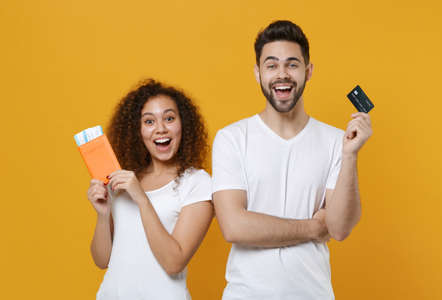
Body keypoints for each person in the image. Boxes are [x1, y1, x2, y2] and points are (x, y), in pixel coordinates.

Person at [212, 20, 372, 299]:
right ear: (258, 72)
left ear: (308, 71)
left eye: (292, 64)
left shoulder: (337, 141)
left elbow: (340, 228)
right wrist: (313, 227)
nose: (282, 74)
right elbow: (234, 226)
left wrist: (350, 155)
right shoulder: (231, 138)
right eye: (271, 65)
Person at [87, 79, 213, 299]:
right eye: (149, 122)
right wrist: (103, 215)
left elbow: (174, 262)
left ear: (183, 124)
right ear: (138, 130)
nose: (161, 129)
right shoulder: (123, 182)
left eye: (169, 118)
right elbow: (102, 260)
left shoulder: (197, 183)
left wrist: (142, 200)